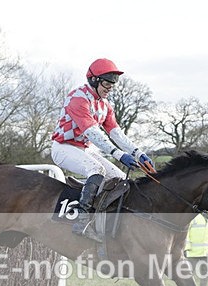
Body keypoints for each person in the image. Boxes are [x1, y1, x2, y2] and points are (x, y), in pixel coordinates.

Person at [51, 58, 155, 242]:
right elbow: (93, 133)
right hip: (64, 148)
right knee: (96, 170)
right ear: (94, 80)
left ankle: (104, 223)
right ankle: (82, 221)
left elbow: (116, 133)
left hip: (84, 150)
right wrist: (119, 155)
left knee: (120, 180)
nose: (110, 88)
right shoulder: (78, 98)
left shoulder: (104, 105)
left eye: (113, 85)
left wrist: (138, 153)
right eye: (107, 83)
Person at [185, 213, 208, 286]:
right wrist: (187, 247)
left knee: (205, 273)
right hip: (193, 251)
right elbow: (186, 232)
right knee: (189, 273)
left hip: (207, 251)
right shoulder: (194, 217)